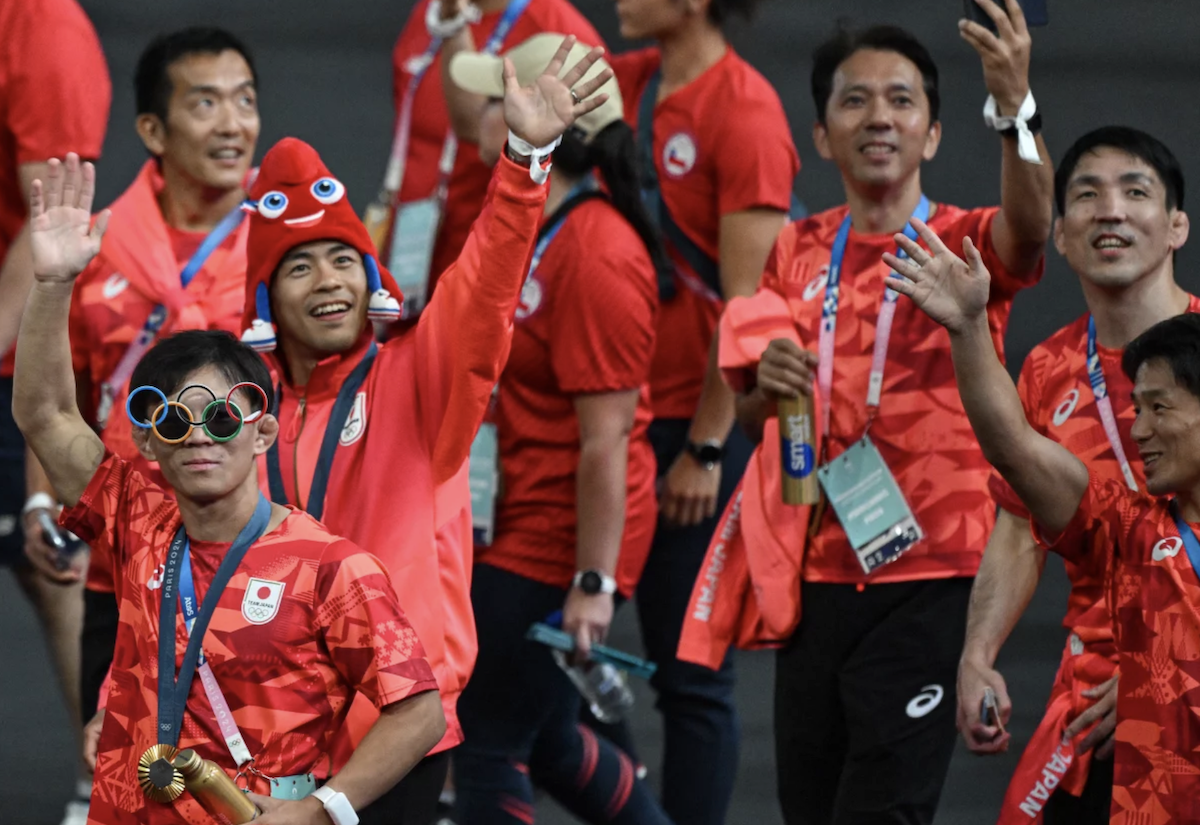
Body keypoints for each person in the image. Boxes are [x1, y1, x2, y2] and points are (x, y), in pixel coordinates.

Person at [239, 37, 613, 825]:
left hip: (394, 731)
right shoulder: (239, 408)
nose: (329, 281)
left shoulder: (418, 376)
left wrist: (523, 162)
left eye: (344, 259)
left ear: (371, 276)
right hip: (266, 731)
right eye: (300, 267)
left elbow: (482, 287)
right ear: (268, 298)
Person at [17, 153, 445, 825]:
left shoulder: (332, 568)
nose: (199, 436)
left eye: (222, 418)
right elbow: (44, 414)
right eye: (173, 420)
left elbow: (419, 711)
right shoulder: (136, 519)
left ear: (264, 432)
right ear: (150, 442)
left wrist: (324, 809)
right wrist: (52, 282)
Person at [733, 6, 1055, 823]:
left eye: (902, 100)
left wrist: (1015, 108)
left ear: (936, 134)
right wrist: (761, 389)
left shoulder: (963, 240)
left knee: (883, 813)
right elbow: (751, 419)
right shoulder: (794, 248)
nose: (880, 116)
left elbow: (1031, 227)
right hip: (812, 577)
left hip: (933, 576)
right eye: (856, 100)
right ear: (821, 135)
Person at [886, 216, 1200, 825]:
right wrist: (970, 328)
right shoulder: (1131, 529)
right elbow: (1016, 448)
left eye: (1160, 408)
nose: (1139, 431)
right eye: (1135, 409)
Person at [447, 33, 669, 824]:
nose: (479, 108)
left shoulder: (598, 252)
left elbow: (607, 439)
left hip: (555, 541)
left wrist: (593, 582)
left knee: (483, 743)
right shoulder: (548, 226)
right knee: (545, 740)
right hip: (521, 514)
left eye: (496, 95)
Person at [27, 31, 262, 752]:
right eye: (206, 102)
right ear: (152, 130)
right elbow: (63, 394)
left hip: (256, 564)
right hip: (127, 561)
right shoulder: (91, 243)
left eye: (246, 100)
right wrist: (43, 497)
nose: (233, 123)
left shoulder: (290, 247)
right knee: (126, 766)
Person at [957, 127, 1197, 824]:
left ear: (1176, 225)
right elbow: (1018, 527)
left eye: (1135, 191)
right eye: (1087, 195)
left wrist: (1168, 671)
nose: (1110, 210)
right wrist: (977, 653)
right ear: (1060, 236)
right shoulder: (1047, 369)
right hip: (1095, 697)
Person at [599, 1, 800, 819]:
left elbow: (746, 304)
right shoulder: (628, 81)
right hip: (611, 418)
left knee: (691, 676)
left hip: (691, 429)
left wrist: (709, 449)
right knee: (559, 652)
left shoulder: (744, 109)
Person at [0, 1, 110, 822]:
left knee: (56, 568)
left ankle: (94, 778)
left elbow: (43, 226)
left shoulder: (40, 25)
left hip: (9, 360)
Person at [378, 0, 601, 315]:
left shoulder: (560, 30)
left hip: (485, 289)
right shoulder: (430, 12)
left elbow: (473, 127)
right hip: (409, 269)